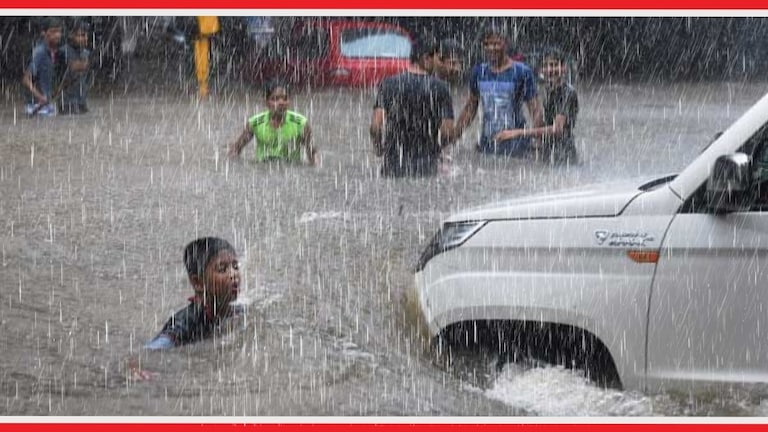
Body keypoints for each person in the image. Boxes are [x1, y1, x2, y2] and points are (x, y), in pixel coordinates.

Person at [369, 36, 455, 177]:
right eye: (437, 58)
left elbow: (375, 126)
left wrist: (378, 148)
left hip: (393, 165)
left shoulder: (389, 84)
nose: (438, 63)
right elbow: (447, 132)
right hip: (426, 166)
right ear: (426, 58)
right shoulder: (441, 88)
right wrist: (439, 150)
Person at [454, 23, 543, 157]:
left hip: (517, 145)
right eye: (487, 44)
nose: (491, 48)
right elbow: (470, 108)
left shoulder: (522, 72)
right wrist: (454, 135)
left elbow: (535, 110)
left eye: (496, 44)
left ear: (505, 44)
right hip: (488, 143)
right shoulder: (479, 72)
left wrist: (538, 139)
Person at [145, 237, 240, 350]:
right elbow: (151, 350)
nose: (233, 274)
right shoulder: (186, 321)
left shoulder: (235, 311)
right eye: (222, 269)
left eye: (235, 267)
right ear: (197, 283)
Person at [494, 48, 580, 165]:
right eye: (546, 66)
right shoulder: (548, 91)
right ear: (541, 70)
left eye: (554, 65)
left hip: (564, 156)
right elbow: (544, 125)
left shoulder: (567, 93)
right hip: (550, 153)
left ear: (564, 68)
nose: (550, 70)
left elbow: (557, 129)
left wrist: (517, 133)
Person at [228, 80, 318, 165]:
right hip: (262, 169)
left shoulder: (301, 123)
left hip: (291, 168)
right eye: (275, 99)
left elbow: (313, 154)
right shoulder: (255, 123)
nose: (281, 103)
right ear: (266, 102)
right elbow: (236, 149)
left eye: (285, 98)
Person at [21, 17, 63, 117]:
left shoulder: (54, 51)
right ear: (43, 33)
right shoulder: (40, 51)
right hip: (36, 106)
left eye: (59, 31)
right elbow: (26, 79)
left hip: (46, 105)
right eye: (53, 31)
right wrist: (40, 97)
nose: (57, 35)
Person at [58, 19, 91, 115]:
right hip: (67, 103)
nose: (85, 38)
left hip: (81, 101)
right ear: (71, 35)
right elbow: (73, 66)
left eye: (86, 35)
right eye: (81, 35)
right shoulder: (63, 51)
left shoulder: (85, 52)